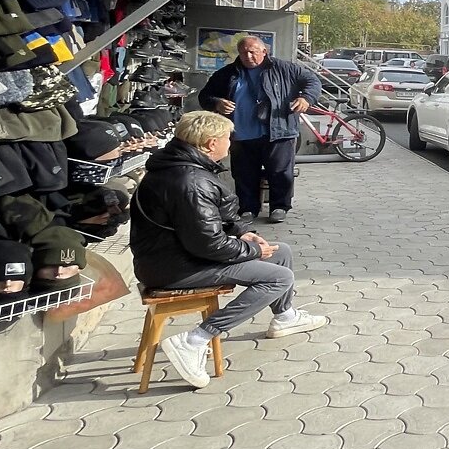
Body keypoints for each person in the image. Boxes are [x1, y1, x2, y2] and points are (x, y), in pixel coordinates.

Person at [130, 110, 327, 389]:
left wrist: (245, 234)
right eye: (227, 137)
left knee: (279, 250)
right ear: (211, 143)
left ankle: (284, 316)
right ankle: (195, 340)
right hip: (173, 267)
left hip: (176, 255)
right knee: (279, 277)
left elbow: (212, 219)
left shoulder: (184, 168)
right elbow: (208, 243)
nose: (230, 143)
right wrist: (252, 251)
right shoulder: (190, 181)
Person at [198, 35, 320, 223]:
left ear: (264, 51)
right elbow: (205, 96)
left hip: (279, 131)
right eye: (243, 52)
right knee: (244, 173)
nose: (248, 56)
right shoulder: (228, 73)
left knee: (280, 172)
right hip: (242, 133)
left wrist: (306, 98)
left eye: (253, 52)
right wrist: (216, 103)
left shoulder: (284, 68)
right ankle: (248, 208)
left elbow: (312, 81)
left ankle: (279, 207)